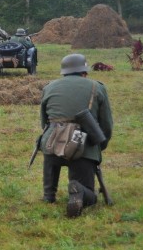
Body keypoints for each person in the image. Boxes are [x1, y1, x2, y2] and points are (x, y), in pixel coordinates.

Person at [40, 53, 113, 218]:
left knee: (51, 156)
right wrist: (99, 145)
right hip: (82, 144)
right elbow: (106, 124)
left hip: (52, 143)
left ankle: (48, 196)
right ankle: (79, 191)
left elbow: (44, 122)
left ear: (63, 72)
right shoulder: (97, 87)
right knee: (89, 194)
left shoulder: (49, 87)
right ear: (84, 72)